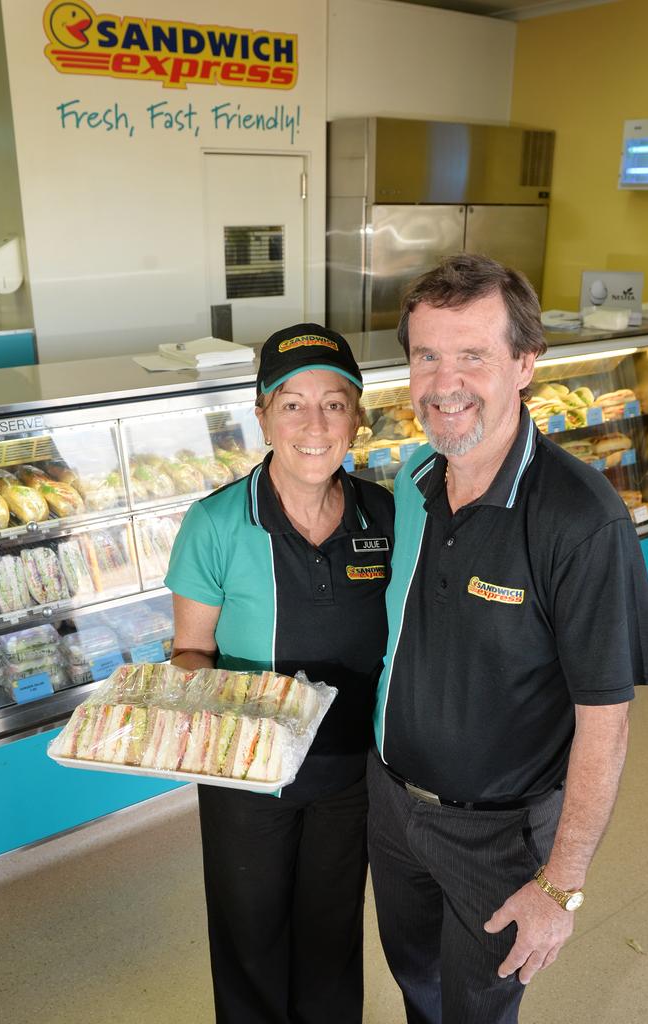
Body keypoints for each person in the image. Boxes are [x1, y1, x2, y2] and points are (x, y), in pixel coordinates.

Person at [367, 253, 648, 1024]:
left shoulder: (581, 518)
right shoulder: (417, 480)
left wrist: (560, 887)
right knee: (417, 984)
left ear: (526, 363)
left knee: (476, 1008)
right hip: (395, 805)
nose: (444, 382)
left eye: (473, 355)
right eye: (426, 355)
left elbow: (605, 722)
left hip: (497, 835)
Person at [165, 323, 394, 1024]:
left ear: (358, 415)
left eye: (334, 403)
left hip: (352, 772)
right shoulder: (216, 523)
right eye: (291, 404)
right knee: (249, 934)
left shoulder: (385, 513)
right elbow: (191, 649)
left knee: (331, 933)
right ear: (261, 415)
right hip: (247, 772)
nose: (314, 424)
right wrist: (183, 698)